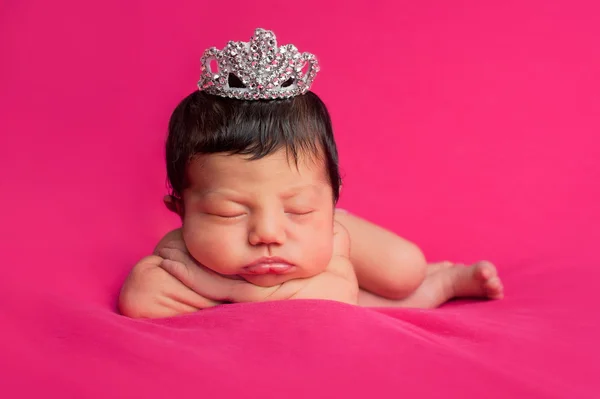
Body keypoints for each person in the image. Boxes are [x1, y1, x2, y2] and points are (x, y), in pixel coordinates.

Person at [118, 28, 503, 318]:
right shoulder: (177, 254)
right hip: (323, 273)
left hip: (336, 245)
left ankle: (434, 272)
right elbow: (139, 299)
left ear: (332, 199)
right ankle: (447, 285)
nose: (267, 234)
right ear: (180, 209)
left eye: (298, 207)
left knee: (404, 271)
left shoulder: (332, 240)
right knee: (382, 306)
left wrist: (217, 288)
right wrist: (240, 292)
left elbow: (332, 296)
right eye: (228, 212)